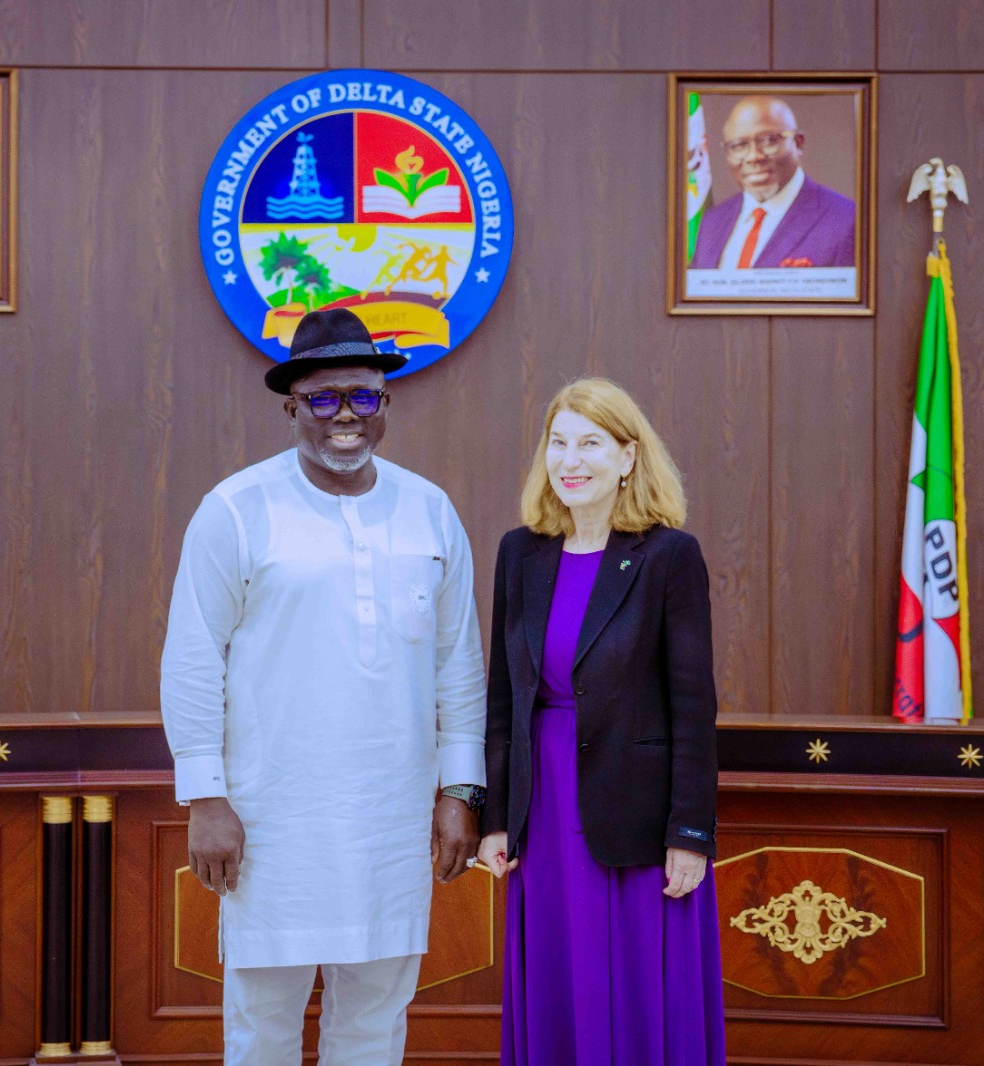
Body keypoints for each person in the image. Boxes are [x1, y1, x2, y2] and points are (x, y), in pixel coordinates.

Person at [160, 308, 487, 1066]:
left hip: (391, 821)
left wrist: (460, 792)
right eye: (324, 398)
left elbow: (458, 663)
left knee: (375, 1024)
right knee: (263, 1026)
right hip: (269, 822)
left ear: (386, 403)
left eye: (364, 397)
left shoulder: (429, 510)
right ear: (291, 409)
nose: (346, 415)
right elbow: (191, 660)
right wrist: (206, 800)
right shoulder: (236, 511)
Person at [476, 378, 725, 1065]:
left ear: (627, 457)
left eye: (590, 443)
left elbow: (693, 708)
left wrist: (691, 833)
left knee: (641, 995)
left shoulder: (669, 556)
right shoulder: (518, 553)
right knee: (558, 983)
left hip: (639, 823)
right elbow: (503, 696)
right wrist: (495, 818)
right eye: (558, 443)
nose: (570, 460)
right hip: (544, 815)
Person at [689, 95, 855, 270]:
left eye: (769, 141)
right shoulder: (711, 222)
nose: (754, 156)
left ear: (797, 143)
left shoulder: (846, 221)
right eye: (738, 145)